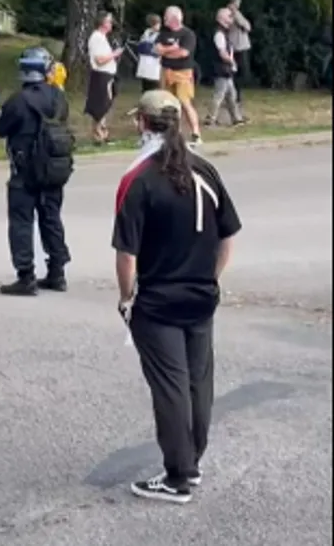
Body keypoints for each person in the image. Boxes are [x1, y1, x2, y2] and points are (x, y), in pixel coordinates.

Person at [113, 90, 241, 504]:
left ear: (142, 124)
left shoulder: (141, 181)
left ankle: (177, 475)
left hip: (160, 300)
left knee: (169, 385)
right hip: (201, 295)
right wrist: (211, 278)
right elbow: (228, 235)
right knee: (198, 379)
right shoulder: (205, 170)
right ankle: (193, 459)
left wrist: (126, 296)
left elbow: (126, 254)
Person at [0, 47, 75, 296]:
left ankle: (25, 275)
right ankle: (57, 273)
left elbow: (1, 128)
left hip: (25, 170)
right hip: (53, 168)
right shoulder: (59, 97)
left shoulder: (18, 101)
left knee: (21, 221)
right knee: (51, 218)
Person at [155, 6, 202, 144]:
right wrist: (171, 49)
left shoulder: (188, 34)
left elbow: (183, 53)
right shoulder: (163, 33)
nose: (164, 20)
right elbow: (157, 49)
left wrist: (166, 51)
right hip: (166, 71)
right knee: (167, 103)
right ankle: (173, 133)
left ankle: (196, 133)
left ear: (174, 19)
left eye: (166, 17)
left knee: (184, 101)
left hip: (183, 72)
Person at [205, 8, 248, 128]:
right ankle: (211, 119)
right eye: (229, 16)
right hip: (221, 69)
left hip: (225, 69)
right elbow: (222, 52)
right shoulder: (219, 33)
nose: (231, 19)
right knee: (219, 95)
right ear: (222, 19)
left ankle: (236, 119)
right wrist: (232, 62)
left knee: (231, 95)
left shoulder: (223, 32)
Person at [85, 11, 124, 145]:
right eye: (109, 21)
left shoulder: (102, 38)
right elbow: (100, 60)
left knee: (105, 104)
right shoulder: (96, 38)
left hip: (108, 75)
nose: (111, 23)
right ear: (102, 23)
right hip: (101, 75)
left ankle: (103, 133)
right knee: (101, 105)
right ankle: (99, 135)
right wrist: (115, 54)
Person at [226, 0, 253, 101]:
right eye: (239, 0)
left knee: (241, 72)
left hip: (240, 46)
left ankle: (236, 94)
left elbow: (247, 25)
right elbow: (246, 26)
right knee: (239, 72)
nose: (240, 2)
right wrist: (245, 24)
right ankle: (234, 95)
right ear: (234, 1)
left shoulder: (236, 12)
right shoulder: (233, 12)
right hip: (237, 46)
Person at [136, 14, 163, 93]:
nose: (157, 26)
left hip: (154, 64)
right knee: (145, 86)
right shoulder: (146, 32)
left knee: (154, 87)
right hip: (145, 64)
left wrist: (150, 48)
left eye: (158, 24)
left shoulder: (160, 35)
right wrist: (148, 47)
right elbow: (141, 47)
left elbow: (157, 50)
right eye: (154, 24)